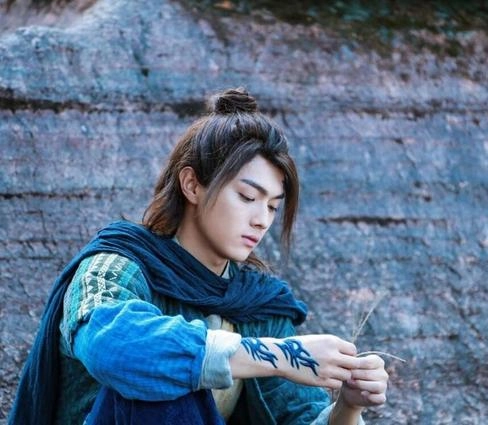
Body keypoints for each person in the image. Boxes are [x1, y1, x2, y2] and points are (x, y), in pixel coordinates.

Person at [9, 88, 388, 424]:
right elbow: (112, 347)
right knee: (159, 377)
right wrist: (280, 355)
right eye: (247, 197)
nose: (261, 219)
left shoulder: (258, 305)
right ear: (191, 184)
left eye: (273, 206)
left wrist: (347, 406)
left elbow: (299, 418)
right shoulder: (115, 265)